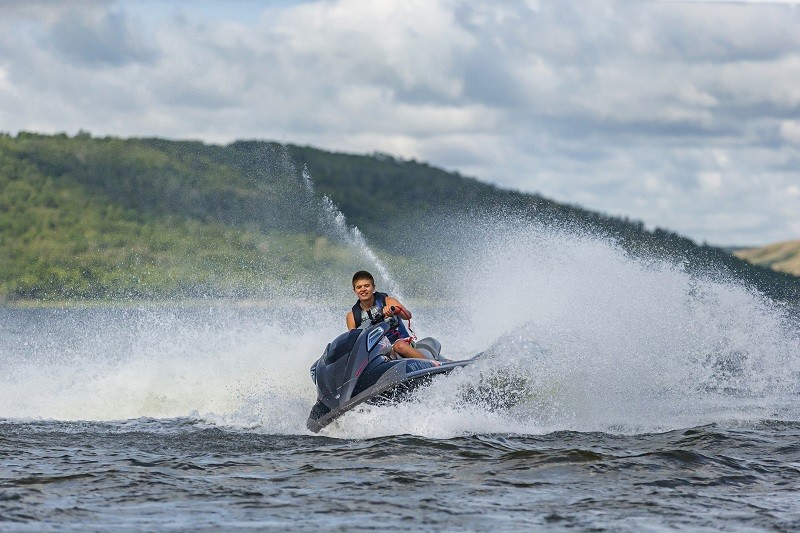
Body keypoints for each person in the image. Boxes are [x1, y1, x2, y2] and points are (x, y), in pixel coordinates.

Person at [346, 270, 440, 366]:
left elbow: (408, 315)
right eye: (359, 287)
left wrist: (395, 310)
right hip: (376, 350)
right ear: (354, 291)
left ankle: (433, 364)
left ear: (373, 287)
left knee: (399, 346)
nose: (363, 289)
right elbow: (354, 342)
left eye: (367, 286)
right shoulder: (352, 316)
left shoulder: (388, 301)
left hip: (401, 342)